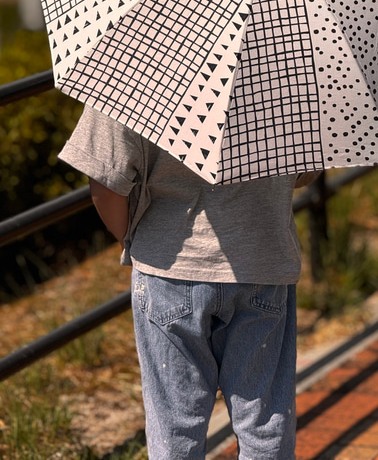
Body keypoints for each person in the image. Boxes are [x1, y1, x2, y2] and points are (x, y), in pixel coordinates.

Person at [59, 104, 319, 460]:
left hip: (169, 267)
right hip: (262, 264)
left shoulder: (135, 70)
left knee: (175, 428)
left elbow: (105, 183)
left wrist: (132, 240)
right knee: (264, 422)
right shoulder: (291, 72)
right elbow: (304, 172)